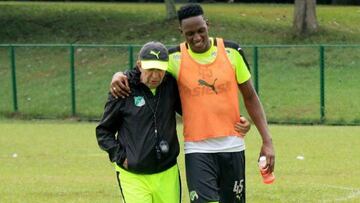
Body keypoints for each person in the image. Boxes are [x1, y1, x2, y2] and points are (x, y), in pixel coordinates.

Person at [110, 4, 274, 203]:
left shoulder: (231, 51)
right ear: (181, 32)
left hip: (232, 145)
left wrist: (267, 141)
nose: (196, 37)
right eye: (189, 33)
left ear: (207, 24)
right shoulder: (174, 57)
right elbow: (146, 68)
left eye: (200, 31)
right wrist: (119, 75)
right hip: (197, 149)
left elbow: (250, 97)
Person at [96, 41, 251, 203]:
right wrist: (121, 157)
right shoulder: (123, 89)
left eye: (160, 70)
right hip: (134, 177)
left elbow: (198, 110)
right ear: (139, 65)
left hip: (167, 173)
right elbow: (103, 131)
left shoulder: (171, 85)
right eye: (150, 70)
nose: (155, 76)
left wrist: (235, 120)